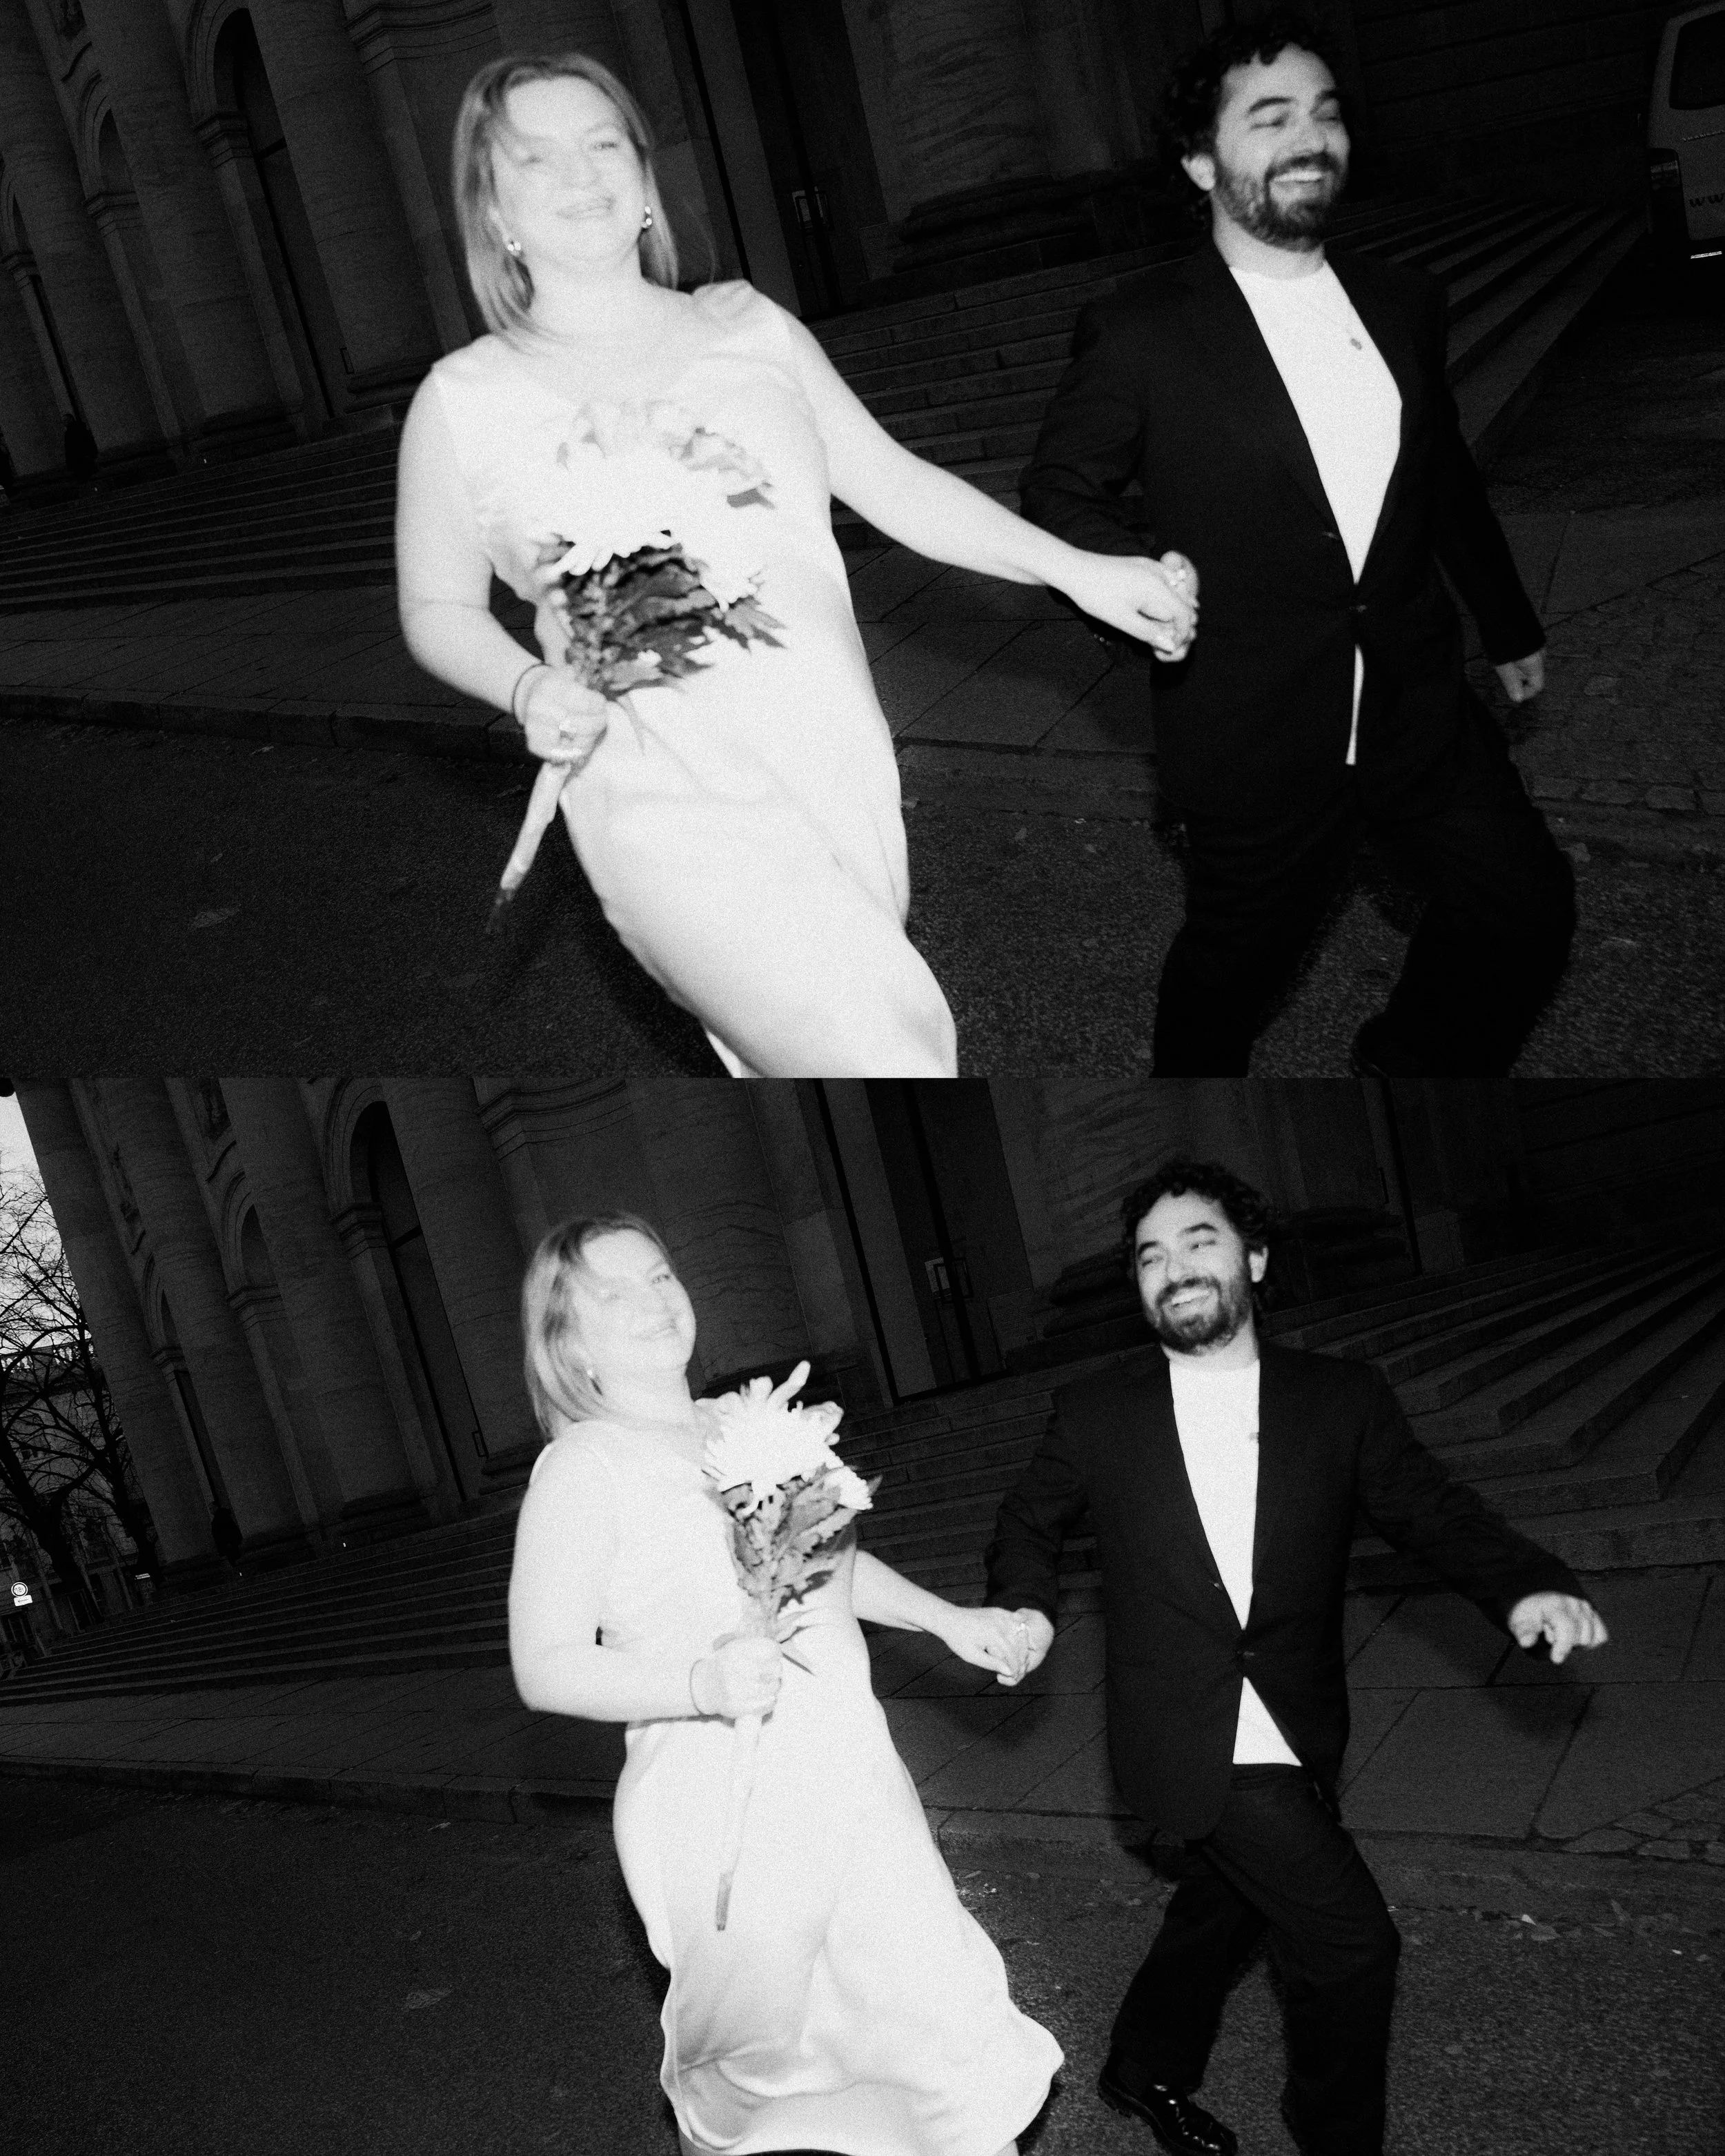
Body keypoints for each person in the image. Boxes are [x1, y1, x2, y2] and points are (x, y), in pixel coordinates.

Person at [397, 52, 1197, 1079]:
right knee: (876, 1045)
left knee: (825, 1039)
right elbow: (434, 604)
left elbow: (893, 484)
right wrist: (524, 682)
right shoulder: (464, 399)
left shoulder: (752, 327)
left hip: (830, 758)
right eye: (535, 158)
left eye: (604, 145)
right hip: (658, 800)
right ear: (494, 212)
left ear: (645, 181)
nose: (581, 175)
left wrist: (1081, 570)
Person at [983, 1158, 1608, 2156]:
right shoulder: (1098, 1414)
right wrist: (1022, 1607)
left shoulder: (1341, 1399)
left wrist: (1524, 1582)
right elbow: (1028, 1520)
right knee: (1351, 1943)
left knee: (1230, 1903)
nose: (1175, 1269)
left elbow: (1430, 1509)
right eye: (1152, 1256)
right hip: (1181, 1727)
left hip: (1296, 1716)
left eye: (1201, 1242)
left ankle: (1143, 2064)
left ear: (1256, 1259)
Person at [1016, 12, 1575, 1076]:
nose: (1309, 139)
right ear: (1199, 161)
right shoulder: (1141, 328)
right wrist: (1122, 578)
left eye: (1325, 113)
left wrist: (1507, 620)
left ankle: (1409, 1062)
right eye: (1269, 119)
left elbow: (1442, 472)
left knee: (1527, 910)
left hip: (1418, 700)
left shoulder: (1406, 304)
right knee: (1226, 992)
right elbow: (1061, 490)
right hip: (1254, 727)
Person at [506, 1211, 1063, 2156]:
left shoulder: (751, 1423)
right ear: (570, 1340)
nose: (655, 1302)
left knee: (927, 2022)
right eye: (614, 1295)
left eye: (662, 1275)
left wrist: (951, 1621)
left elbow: (833, 1564)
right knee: (784, 2077)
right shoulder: (581, 1467)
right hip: (722, 1800)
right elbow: (544, 1666)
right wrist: (701, 1679)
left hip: (848, 1770)